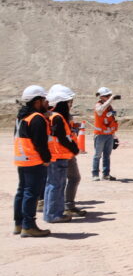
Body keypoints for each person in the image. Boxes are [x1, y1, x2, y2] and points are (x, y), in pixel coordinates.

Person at [14, 85, 53, 237]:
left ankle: (19, 224)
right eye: (44, 99)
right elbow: (40, 143)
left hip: (22, 158)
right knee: (31, 193)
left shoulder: (22, 116)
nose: (46, 102)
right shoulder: (37, 119)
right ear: (37, 101)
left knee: (22, 192)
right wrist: (46, 159)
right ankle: (29, 226)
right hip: (34, 160)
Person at [43, 85, 81, 225]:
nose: (70, 104)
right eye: (69, 102)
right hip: (59, 155)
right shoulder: (57, 117)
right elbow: (62, 138)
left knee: (52, 185)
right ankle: (54, 214)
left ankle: (51, 213)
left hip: (56, 155)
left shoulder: (52, 115)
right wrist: (74, 148)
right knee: (56, 186)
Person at [92, 87, 119, 180]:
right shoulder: (98, 105)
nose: (109, 97)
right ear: (102, 97)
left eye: (110, 96)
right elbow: (100, 111)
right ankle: (95, 174)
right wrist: (111, 99)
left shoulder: (109, 107)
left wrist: (114, 135)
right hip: (100, 135)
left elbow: (112, 120)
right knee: (97, 155)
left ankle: (106, 174)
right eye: (107, 96)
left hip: (109, 135)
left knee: (107, 156)